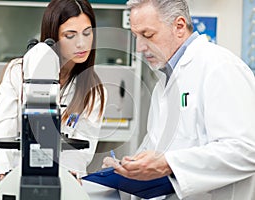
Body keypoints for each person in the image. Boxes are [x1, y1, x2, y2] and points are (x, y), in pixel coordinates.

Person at [103, 0, 255, 199]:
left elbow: (246, 150)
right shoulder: (164, 82)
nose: (139, 47)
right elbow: (157, 148)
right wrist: (128, 167)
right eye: (136, 36)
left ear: (179, 26)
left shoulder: (219, 67)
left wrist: (169, 163)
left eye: (148, 35)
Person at [0, 0, 107, 197]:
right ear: (52, 37)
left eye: (87, 33)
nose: (81, 43)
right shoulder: (18, 71)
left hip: (62, 183)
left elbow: (81, 151)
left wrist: (65, 177)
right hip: (14, 177)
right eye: (70, 35)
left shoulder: (94, 90)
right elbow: (2, 127)